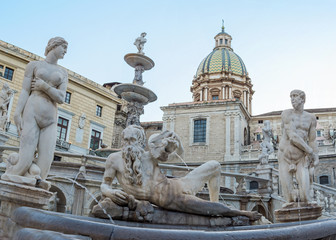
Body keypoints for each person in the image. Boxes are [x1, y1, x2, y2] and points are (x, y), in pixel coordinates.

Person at [101, 125, 261, 220]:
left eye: (133, 140)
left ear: (141, 141)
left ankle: (217, 201)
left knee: (215, 165)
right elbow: (105, 184)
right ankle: (240, 213)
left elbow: (179, 156)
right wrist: (110, 192)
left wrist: (172, 146)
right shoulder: (113, 159)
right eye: (126, 140)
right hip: (171, 198)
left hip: (178, 185)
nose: (128, 144)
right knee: (211, 208)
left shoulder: (150, 155)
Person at [1, 37, 68, 190]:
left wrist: (44, 86)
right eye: (64, 47)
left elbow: (61, 98)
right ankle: (12, 179)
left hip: (51, 118)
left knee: (45, 164)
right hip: (32, 112)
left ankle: (34, 183)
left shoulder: (63, 73)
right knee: (25, 158)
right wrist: (17, 113)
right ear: (53, 46)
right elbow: (25, 90)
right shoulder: (33, 65)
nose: (65, 51)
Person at [278, 89, 319, 203]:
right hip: (285, 157)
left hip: (301, 158)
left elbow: (312, 139)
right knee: (290, 200)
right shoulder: (286, 114)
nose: (292, 99)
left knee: (306, 197)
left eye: (295, 96)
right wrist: (310, 152)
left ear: (302, 99)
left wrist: (316, 156)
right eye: (291, 96)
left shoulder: (311, 117)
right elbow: (293, 136)